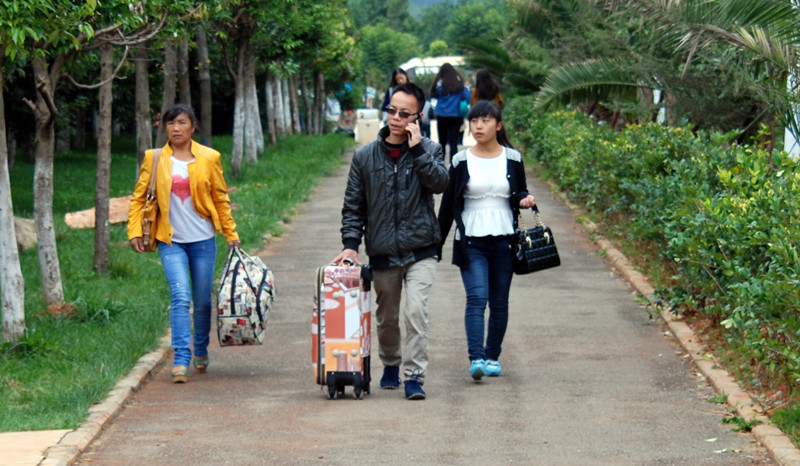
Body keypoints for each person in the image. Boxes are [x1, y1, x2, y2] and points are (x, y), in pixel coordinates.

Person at [333, 82, 449, 400]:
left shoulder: (430, 150)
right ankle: (391, 364)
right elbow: (353, 206)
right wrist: (350, 244)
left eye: (404, 113)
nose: (396, 118)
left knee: (416, 311)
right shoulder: (364, 156)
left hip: (422, 249)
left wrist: (418, 150)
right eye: (392, 111)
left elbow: (440, 183)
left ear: (418, 117)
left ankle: (414, 376)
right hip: (383, 252)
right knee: (387, 318)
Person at [127, 103, 240, 384]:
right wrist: (133, 231)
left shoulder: (209, 158)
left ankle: (201, 348)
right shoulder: (154, 158)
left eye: (181, 122)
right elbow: (138, 198)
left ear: (193, 127)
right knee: (180, 297)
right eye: (171, 123)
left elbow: (220, 198)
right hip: (170, 241)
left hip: (203, 241)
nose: (176, 128)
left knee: (201, 301)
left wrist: (231, 234)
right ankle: (180, 358)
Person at [437, 100, 535, 381]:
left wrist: (525, 199)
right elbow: (448, 206)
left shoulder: (513, 158)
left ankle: (492, 357)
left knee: (499, 302)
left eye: (485, 121)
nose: (478, 126)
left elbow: (519, 192)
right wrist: (436, 244)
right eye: (474, 121)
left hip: (504, 240)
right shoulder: (460, 160)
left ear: (498, 125)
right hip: (471, 241)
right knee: (477, 298)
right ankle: (476, 358)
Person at [429, 63, 470, 163]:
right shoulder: (459, 84)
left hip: (441, 115)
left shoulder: (439, 84)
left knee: (442, 141)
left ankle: (441, 163)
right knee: (453, 142)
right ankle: (453, 163)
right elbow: (467, 97)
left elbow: (433, 96)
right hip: (456, 115)